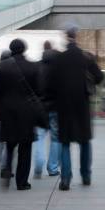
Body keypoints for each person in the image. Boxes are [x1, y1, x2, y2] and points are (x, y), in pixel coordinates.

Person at [46, 25, 104, 191]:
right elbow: (100, 77)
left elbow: (49, 85)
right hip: (82, 105)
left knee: (65, 143)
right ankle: (86, 176)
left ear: (66, 37)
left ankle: (65, 179)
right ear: (76, 36)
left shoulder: (58, 59)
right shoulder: (86, 58)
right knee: (84, 142)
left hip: (63, 107)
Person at [0, 39, 39, 190]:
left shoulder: (3, 66)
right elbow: (38, 91)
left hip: (8, 112)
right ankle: (22, 182)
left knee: (10, 145)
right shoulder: (32, 67)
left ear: (11, 49)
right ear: (24, 49)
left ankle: (7, 170)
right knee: (25, 149)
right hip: (27, 113)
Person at [33, 41, 61, 178]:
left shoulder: (37, 66)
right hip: (56, 108)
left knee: (39, 137)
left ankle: (38, 166)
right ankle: (53, 168)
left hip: (40, 108)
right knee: (55, 139)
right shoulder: (60, 69)